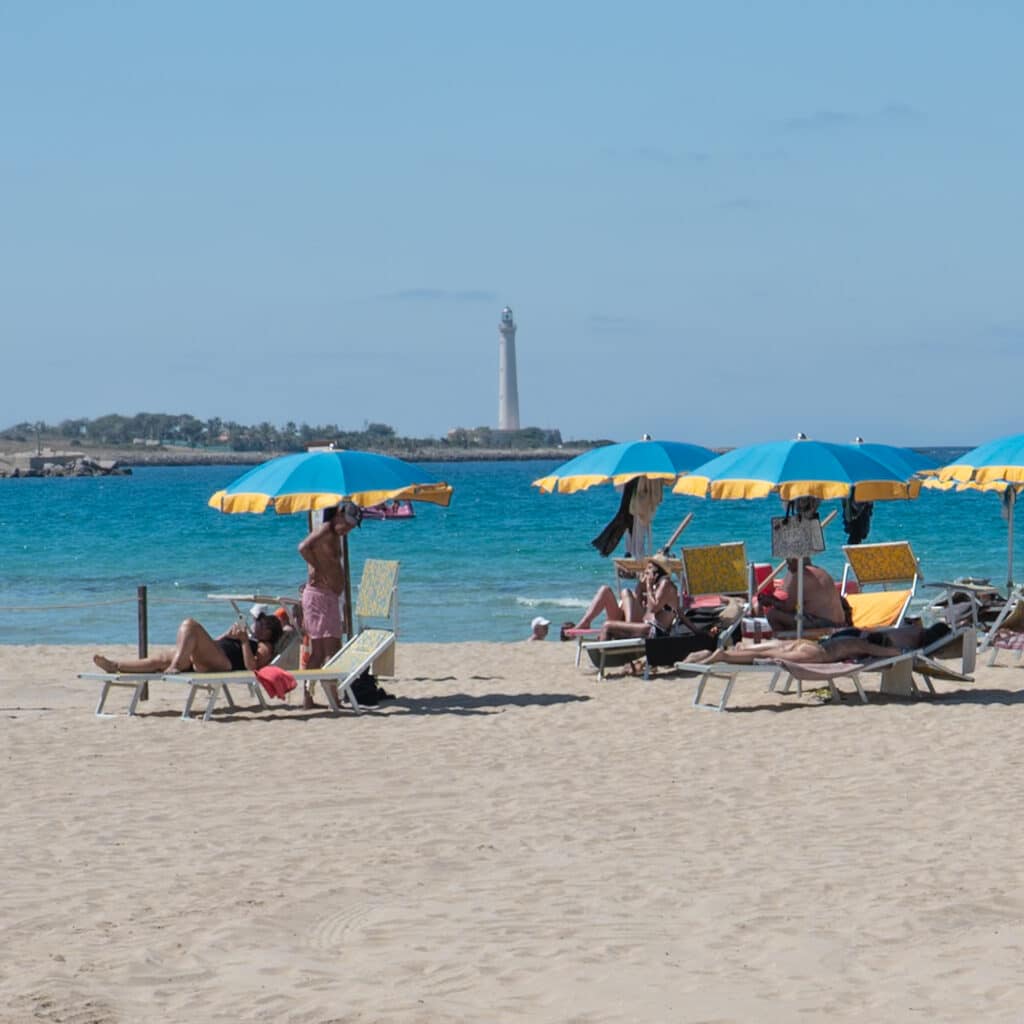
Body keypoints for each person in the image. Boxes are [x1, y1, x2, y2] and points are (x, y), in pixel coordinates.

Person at [298, 500, 363, 708]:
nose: (347, 529)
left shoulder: (332, 534)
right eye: (347, 524)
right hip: (321, 597)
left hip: (326, 597)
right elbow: (303, 547)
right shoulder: (326, 530)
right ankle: (332, 699)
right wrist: (320, 569)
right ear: (338, 514)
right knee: (331, 651)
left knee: (319, 652)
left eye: (351, 527)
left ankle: (308, 698)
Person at [93, 612, 283, 675]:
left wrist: (242, 641)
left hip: (224, 663)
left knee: (190, 625)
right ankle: (115, 666)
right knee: (159, 659)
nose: (255, 624)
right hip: (212, 657)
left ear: (267, 631)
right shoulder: (251, 639)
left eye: (260, 623)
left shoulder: (265, 647)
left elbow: (252, 668)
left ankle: (176, 665)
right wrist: (228, 635)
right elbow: (216, 643)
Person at [684, 621, 951, 666]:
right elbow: (882, 651)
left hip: (812, 643)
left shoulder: (857, 636)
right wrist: (898, 652)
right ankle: (719, 656)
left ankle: (729, 650)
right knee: (765, 659)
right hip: (818, 655)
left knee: (770, 647)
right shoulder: (865, 645)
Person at [567, 555, 680, 641]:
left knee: (625, 592)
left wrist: (648, 586)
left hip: (648, 628)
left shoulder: (665, 585)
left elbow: (652, 609)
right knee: (605, 590)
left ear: (657, 572)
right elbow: (643, 605)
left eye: (649, 568)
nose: (646, 571)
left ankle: (606, 652)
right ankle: (586, 622)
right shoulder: (659, 586)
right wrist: (641, 587)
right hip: (641, 623)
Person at [757, 557, 848, 632]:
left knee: (773, 614)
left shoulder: (799, 576)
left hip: (822, 623)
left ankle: (785, 643)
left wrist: (771, 601)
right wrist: (774, 600)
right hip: (840, 622)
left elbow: (788, 608)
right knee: (797, 614)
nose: (788, 567)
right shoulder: (822, 571)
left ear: (796, 561)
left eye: (789, 562)